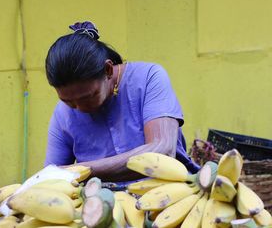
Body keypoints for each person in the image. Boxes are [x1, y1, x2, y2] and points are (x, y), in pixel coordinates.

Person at [44, 21, 200, 182]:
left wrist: (82, 171)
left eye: (87, 97)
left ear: (108, 70)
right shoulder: (63, 114)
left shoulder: (149, 78)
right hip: (102, 203)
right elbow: (51, 178)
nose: (80, 108)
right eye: (68, 102)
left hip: (170, 196)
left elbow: (162, 151)